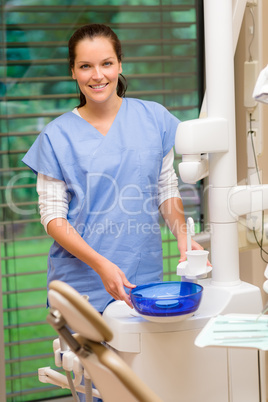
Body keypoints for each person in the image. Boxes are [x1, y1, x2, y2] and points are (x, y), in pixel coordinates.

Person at [22, 23, 203, 315]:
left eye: (106, 63)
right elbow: (53, 217)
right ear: (73, 71)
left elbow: (165, 189)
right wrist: (101, 264)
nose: (97, 75)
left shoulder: (154, 119)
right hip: (81, 285)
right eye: (85, 66)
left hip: (142, 278)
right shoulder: (56, 137)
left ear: (119, 64)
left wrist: (182, 235)